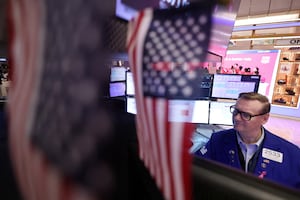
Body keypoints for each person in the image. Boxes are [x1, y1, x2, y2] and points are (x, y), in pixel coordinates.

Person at [195, 92, 300, 189]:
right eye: (236, 111)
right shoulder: (217, 140)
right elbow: (196, 169)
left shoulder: (292, 154)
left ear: (264, 119)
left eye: (246, 115)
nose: (236, 118)